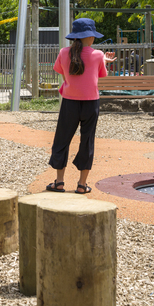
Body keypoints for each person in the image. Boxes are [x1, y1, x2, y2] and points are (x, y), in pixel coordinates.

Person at [46, 18, 116, 193]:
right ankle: (82, 185)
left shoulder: (63, 52)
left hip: (69, 102)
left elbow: (65, 75)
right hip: (91, 103)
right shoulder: (98, 54)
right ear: (91, 37)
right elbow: (100, 74)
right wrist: (104, 61)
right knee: (87, 141)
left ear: (75, 36)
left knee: (62, 140)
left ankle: (59, 182)